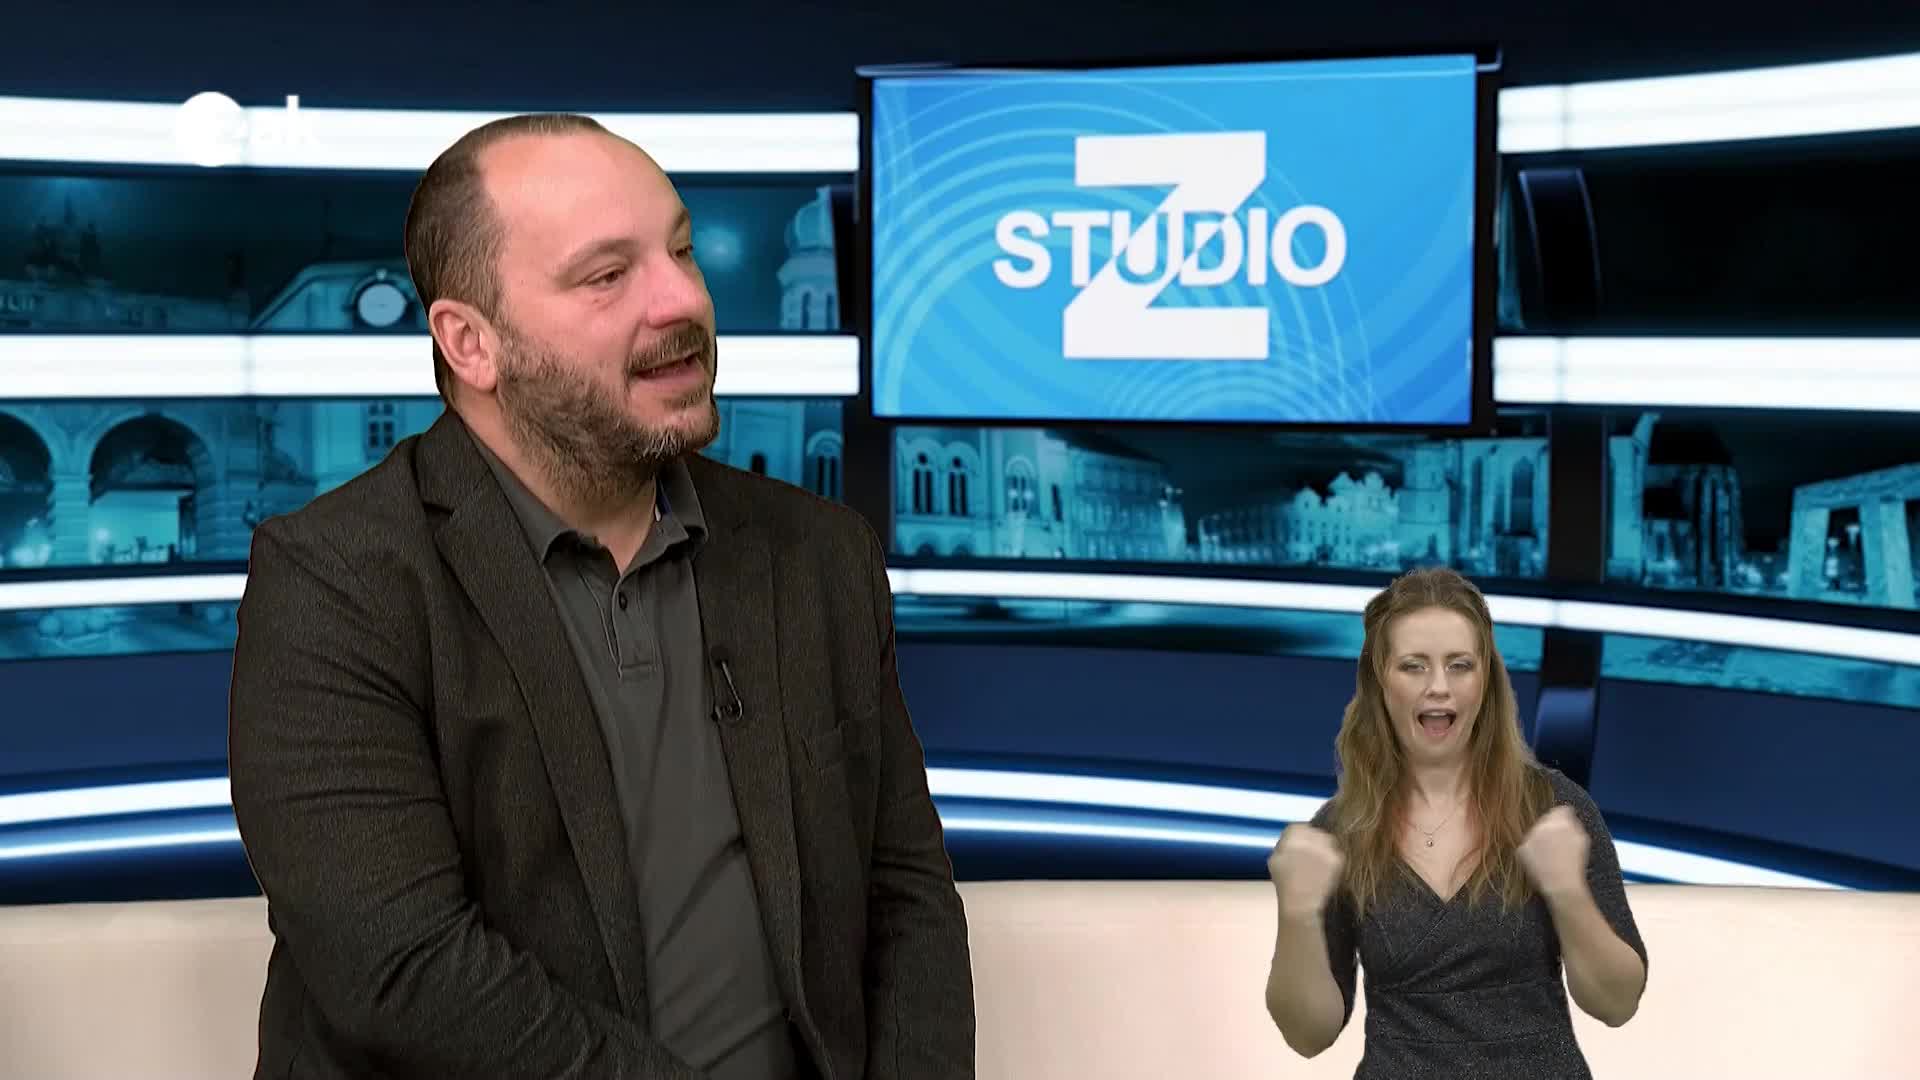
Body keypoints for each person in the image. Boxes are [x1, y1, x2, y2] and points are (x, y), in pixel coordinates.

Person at [228, 113, 975, 1080]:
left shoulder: (820, 554)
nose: (684, 300)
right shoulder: (334, 581)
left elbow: (904, 890)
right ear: (472, 344)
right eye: (607, 275)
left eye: (681, 251)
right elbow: (404, 971)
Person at [1263, 567, 1647, 1078]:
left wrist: (1568, 891)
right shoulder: (1340, 830)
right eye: (1414, 667)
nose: (1439, 687)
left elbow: (1617, 1004)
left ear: (1486, 679)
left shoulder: (1553, 807)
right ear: (1380, 681)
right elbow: (1308, 1036)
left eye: (1460, 665)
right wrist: (1297, 914)